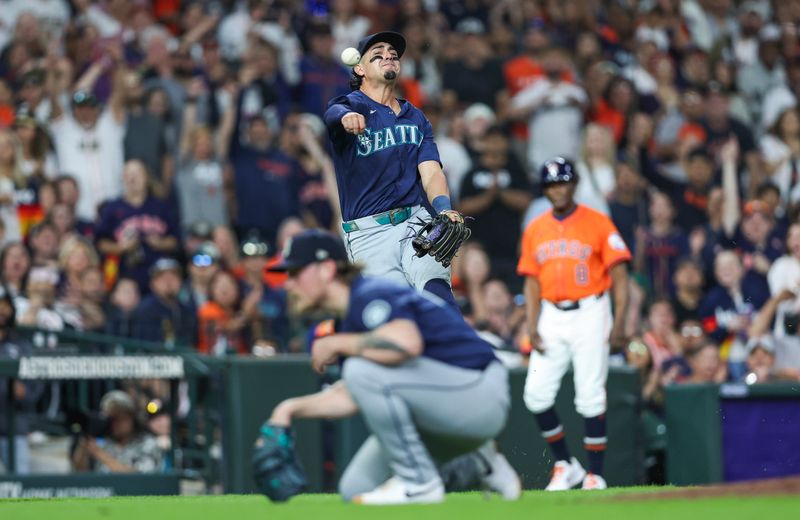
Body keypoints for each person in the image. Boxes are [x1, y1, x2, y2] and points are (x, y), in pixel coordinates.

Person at [264, 229, 519, 504]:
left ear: (326, 269)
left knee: (359, 370)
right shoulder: (348, 318)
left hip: (479, 392)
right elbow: (353, 394)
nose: (289, 284)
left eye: (296, 272)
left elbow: (406, 343)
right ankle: (480, 460)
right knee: (355, 489)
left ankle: (420, 484)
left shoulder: (370, 294)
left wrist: (338, 343)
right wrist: (289, 409)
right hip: (445, 405)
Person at [517, 157, 631, 491]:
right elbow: (531, 283)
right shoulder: (536, 227)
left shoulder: (598, 222)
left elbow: (620, 276)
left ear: (575, 183)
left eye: (563, 181)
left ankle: (595, 473)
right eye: (552, 184)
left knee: (590, 395)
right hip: (551, 313)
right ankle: (567, 465)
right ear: (545, 189)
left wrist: (620, 321)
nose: (558, 188)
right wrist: (532, 324)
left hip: (591, 310)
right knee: (536, 395)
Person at [323, 31, 463, 304]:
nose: (388, 54)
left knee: (436, 289)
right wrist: (346, 117)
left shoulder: (416, 116)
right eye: (377, 52)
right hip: (369, 233)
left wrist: (444, 207)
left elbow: (431, 171)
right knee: (393, 315)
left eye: (393, 53)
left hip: (415, 220)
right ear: (360, 68)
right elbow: (332, 114)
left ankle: (455, 345)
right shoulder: (350, 105)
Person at [72, 390, 163, 474]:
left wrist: (99, 454)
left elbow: (138, 478)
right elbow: (79, 472)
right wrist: (84, 443)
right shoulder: (103, 444)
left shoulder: (148, 444)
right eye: (112, 418)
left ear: (133, 419)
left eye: (121, 417)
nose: (116, 423)